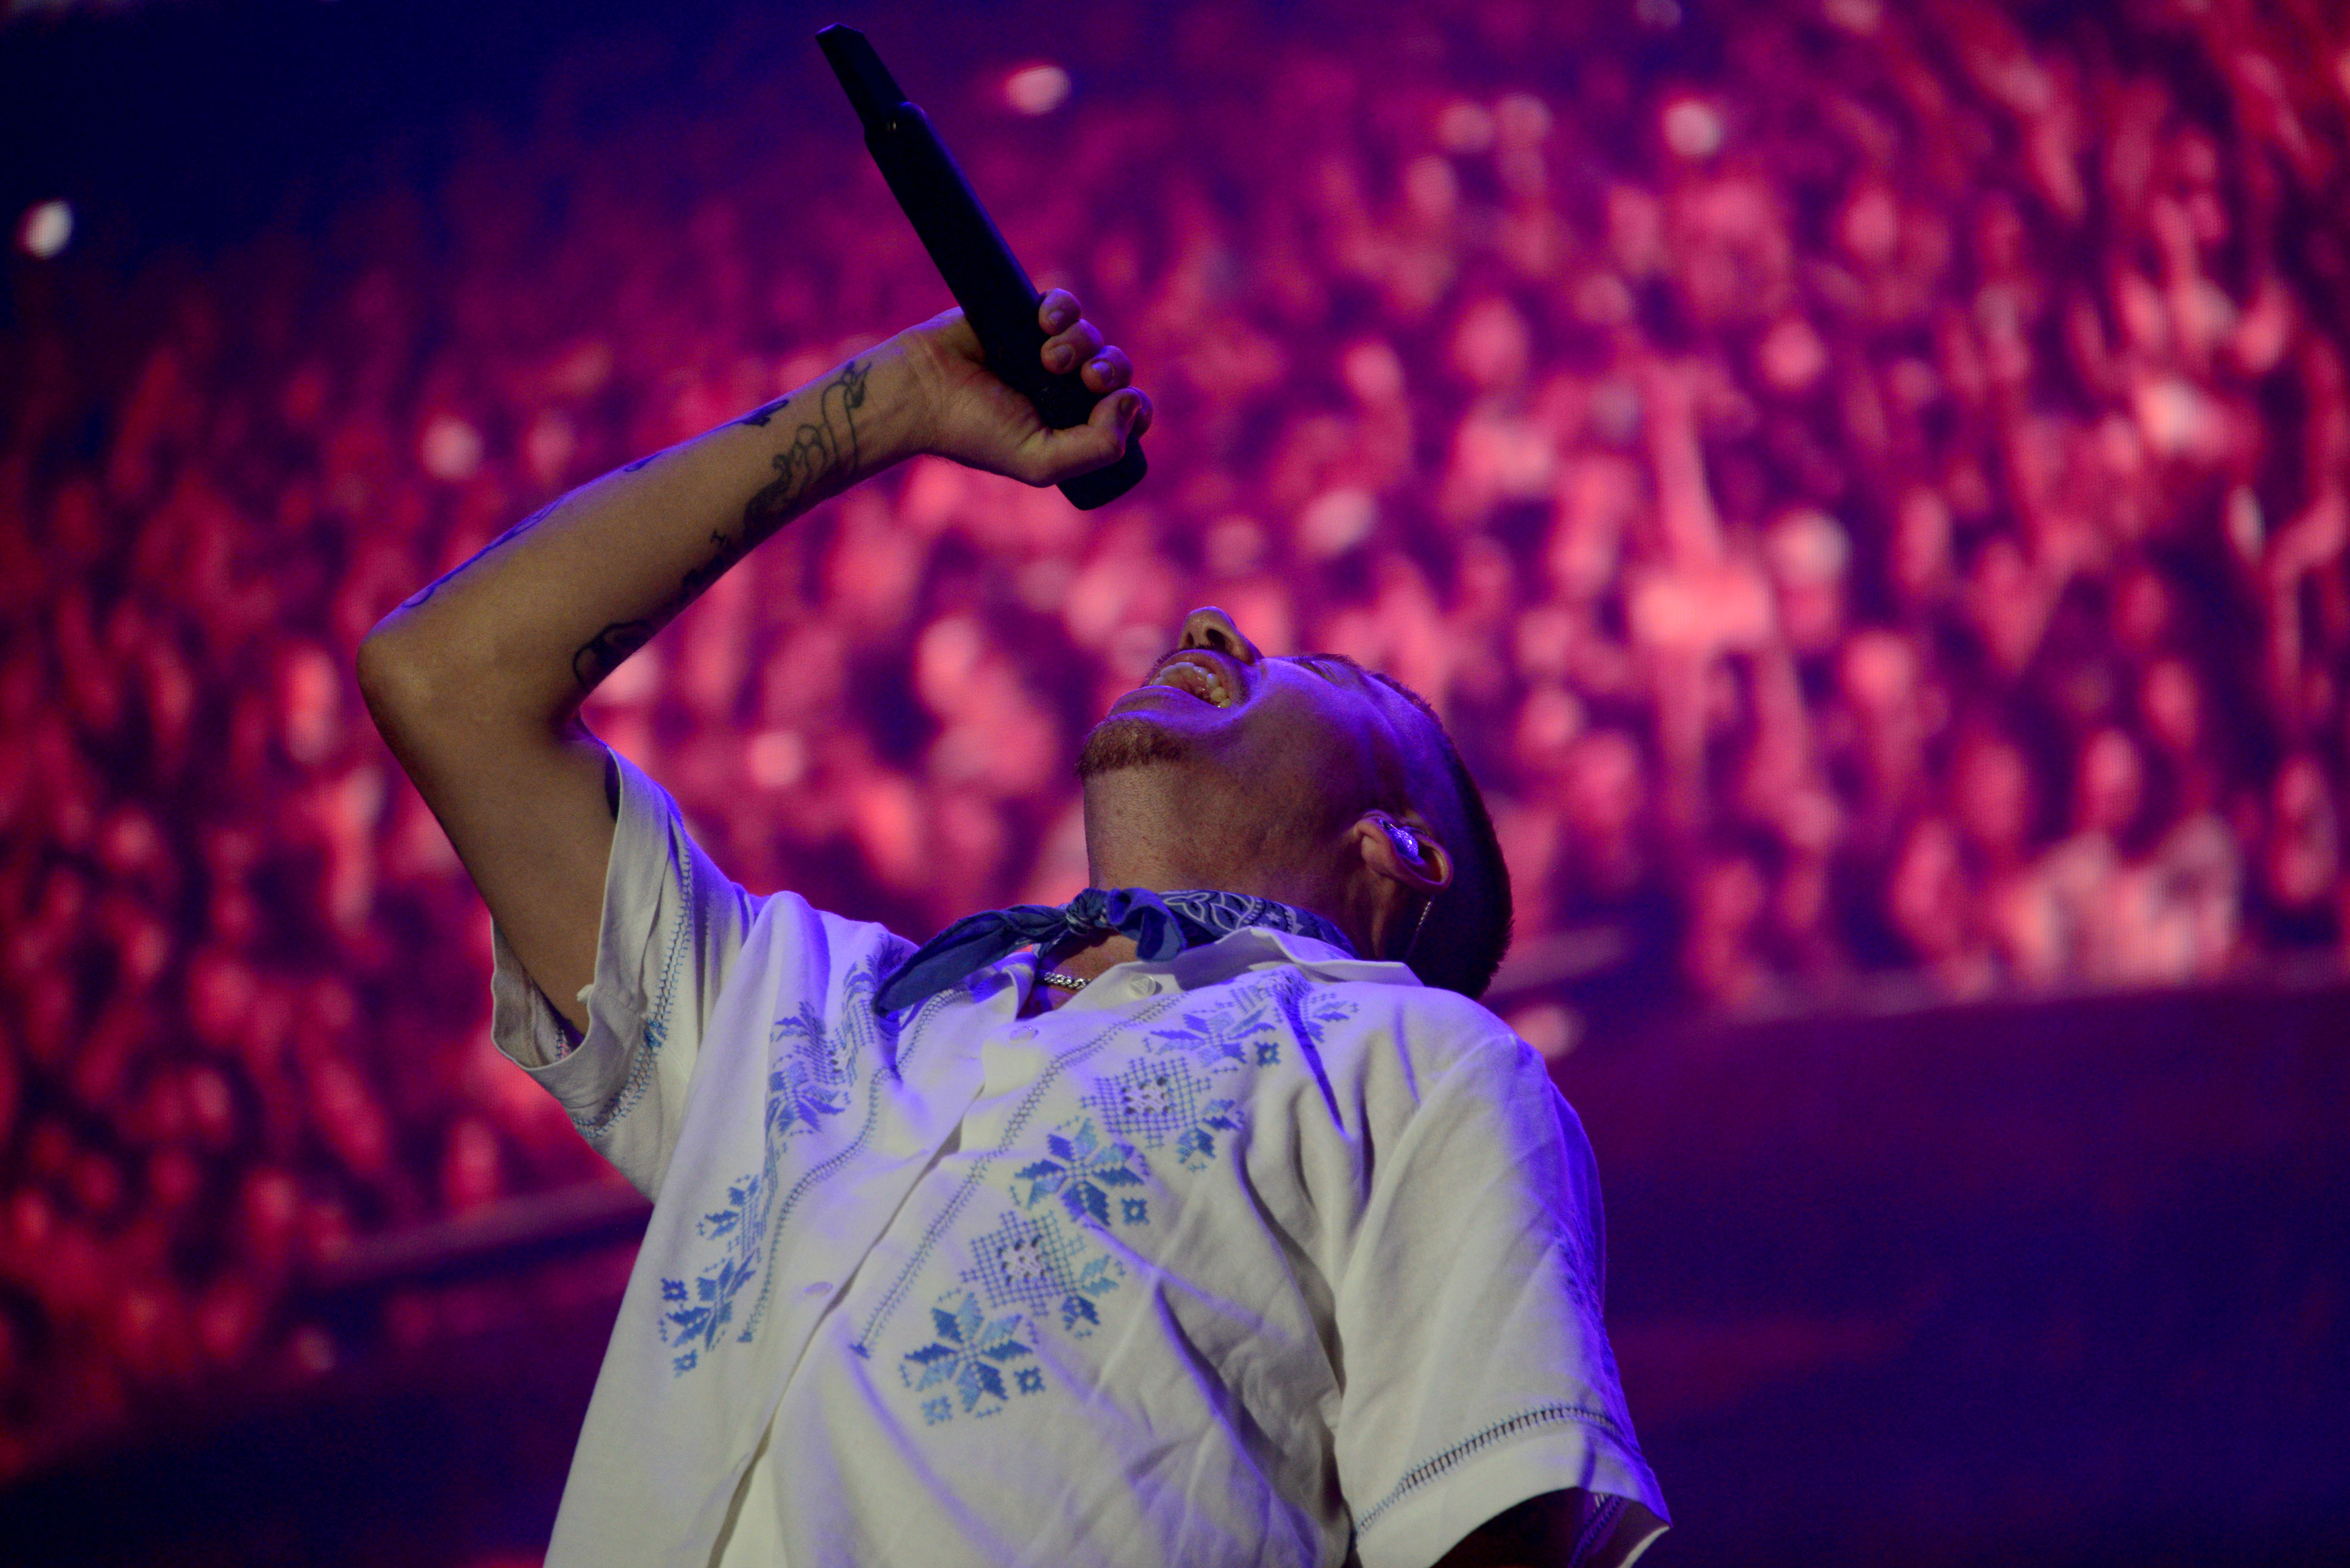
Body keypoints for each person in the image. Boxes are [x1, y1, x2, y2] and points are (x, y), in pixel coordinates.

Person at [358, 291, 1667, 1568]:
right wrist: (894, 404)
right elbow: (448, 679)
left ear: (1401, 847)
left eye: (1317, 673)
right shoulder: (813, 1006)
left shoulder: (1419, 1062)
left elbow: (1493, 1536)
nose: (1212, 623)